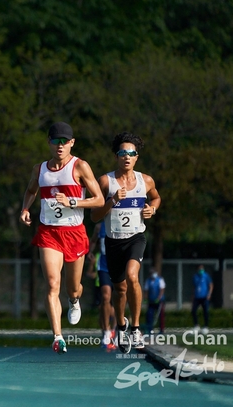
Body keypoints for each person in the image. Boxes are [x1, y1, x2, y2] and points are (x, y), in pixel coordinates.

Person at [20, 121, 104, 354]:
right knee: (52, 283)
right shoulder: (40, 169)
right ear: (49, 142)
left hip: (74, 233)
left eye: (64, 141)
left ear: (72, 143)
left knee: (72, 288)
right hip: (49, 233)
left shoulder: (80, 167)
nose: (60, 145)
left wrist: (73, 201)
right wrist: (25, 209)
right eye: (55, 141)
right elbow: (30, 190)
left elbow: (98, 200)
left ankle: (75, 300)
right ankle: (58, 336)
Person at [90, 132, 161, 354]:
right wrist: (113, 200)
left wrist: (153, 209)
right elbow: (94, 216)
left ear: (137, 157)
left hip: (136, 238)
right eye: (123, 153)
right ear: (116, 156)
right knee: (120, 290)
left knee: (133, 277)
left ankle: (136, 328)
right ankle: (121, 326)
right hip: (113, 242)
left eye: (131, 153)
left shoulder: (145, 180)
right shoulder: (105, 181)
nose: (127, 157)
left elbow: (156, 197)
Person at [86, 221, 116, 350]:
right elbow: (92, 241)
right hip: (104, 264)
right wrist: (89, 251)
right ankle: (106, 331)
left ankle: (117, 330)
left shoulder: (121, 220)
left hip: (119, 264)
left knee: (119, 299)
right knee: (105, 296)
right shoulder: (99, 226)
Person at [191, 264, 213, 335]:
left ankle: (206, 326)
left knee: (205, 312)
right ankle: (196, 325)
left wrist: (209, 294)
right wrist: (193, 295)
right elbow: (194, 287)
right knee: (193, 310)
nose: (201, 270)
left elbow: (211, 285)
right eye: (200, 269)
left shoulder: (206, 276)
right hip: (197, 297)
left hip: (204, 297)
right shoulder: (195, 277)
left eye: (202, 269)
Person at [143, 267, 166, 334]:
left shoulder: (160, 280)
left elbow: (162, 290)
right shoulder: (148, 281)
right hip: (151, 301)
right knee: (149, 314)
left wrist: (159, 298)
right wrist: (146, 298)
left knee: (161, 315)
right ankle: (149, 329)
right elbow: (146, 291)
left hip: (159, 301)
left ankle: (161, 330)